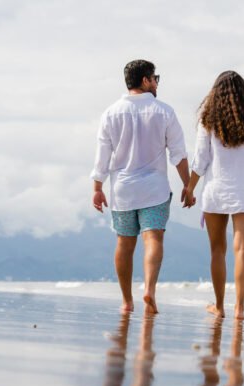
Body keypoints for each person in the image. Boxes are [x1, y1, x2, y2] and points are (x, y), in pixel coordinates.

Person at [91, 59, 193, 314]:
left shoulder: (111, 113)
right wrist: (188, 185)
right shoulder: (164, 111)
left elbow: (102, 156)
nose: (157, 82)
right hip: (154, 190)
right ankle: (149, 289)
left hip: (122, 191)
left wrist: (97, 187)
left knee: (124, 244)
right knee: (153, 238)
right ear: (146, 80)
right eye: (155, 78)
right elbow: (178, 155)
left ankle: (126, 301)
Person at [183, 71, 244, 319]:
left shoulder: (208, 123)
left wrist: (190, 188)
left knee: (217, 250)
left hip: (216, 192)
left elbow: (200, 162)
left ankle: (220, 306)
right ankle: (240, 308)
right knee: (242, 249)